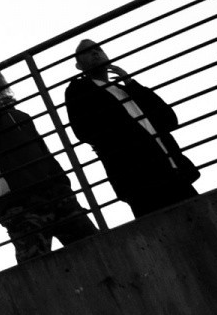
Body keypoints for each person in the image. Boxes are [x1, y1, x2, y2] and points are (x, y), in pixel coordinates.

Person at [0, 56, 98, 262]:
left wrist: (62, 183)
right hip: (16, 201)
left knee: (95, 250)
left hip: (55, 194)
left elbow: (43, 151)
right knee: (36, 266)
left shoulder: (18, 114)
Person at [64, 38, 199, 217]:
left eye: (98, 49)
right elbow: (83, 130)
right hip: (139, 179)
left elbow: (168, 119)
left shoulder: (126, 89)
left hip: (172, 171)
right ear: (78, 66)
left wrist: (130, 82)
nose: (95, 52)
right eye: (87, 52)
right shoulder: (79, 90)